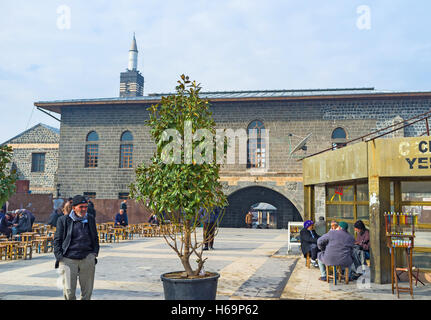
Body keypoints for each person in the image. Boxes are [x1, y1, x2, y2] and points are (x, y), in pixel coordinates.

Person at [53, 195, 99, 300]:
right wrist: (60, 257)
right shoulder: (63, 220)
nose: (84, 209)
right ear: (74, 208)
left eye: (85, 207)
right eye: (81, 207)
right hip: (68, 259)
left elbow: (95, 237)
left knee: (87, 292)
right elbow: (57, 240)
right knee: (69, 292)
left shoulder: (90, 219)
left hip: (87, 258)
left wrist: (94, 253)